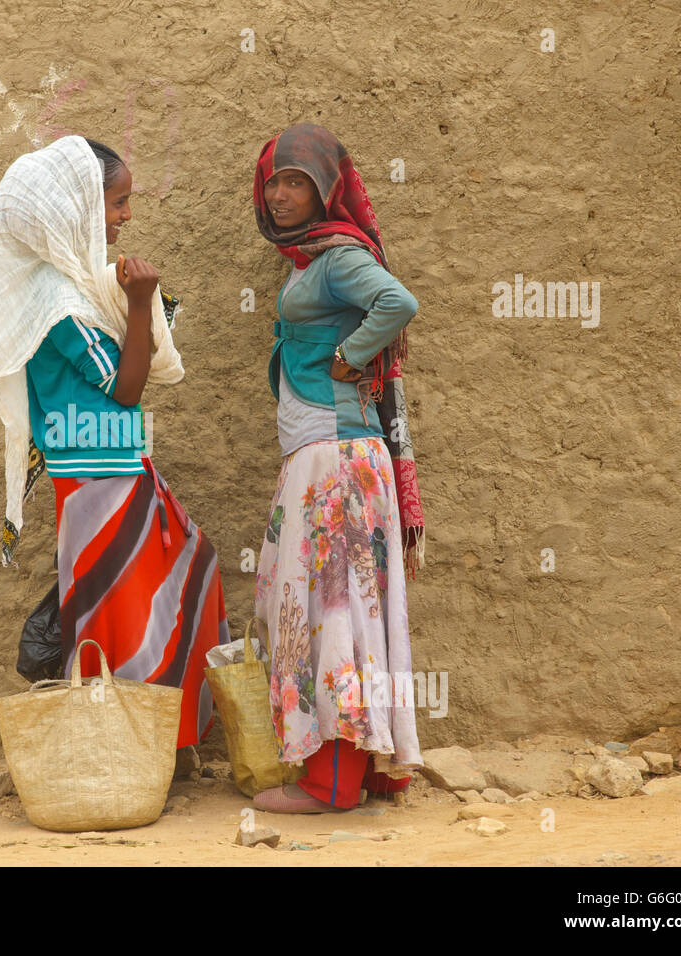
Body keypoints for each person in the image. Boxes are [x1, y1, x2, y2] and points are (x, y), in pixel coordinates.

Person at [0, 135, 230, 750]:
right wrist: (143, 304)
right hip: (102, 480)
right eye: (118, 202)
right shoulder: (60, 302)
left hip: (116, 471)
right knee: (122, 619)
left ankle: (145, 747)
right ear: (77, 208)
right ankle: (122, 754)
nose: (127, 216)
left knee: (172, 585)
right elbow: (125, 391)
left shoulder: (67, 287)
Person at [249, 123, 427, 812]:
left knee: (328, 614)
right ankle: (375, 768)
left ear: (327, 192)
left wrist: (352, 356)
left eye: (298, 183)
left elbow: (398, 302)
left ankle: (330, 784)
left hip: (335, 462)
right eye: (275, 183)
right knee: (350, 611)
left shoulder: (335, 257)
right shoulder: (308, 261)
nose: (284, 195)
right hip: (331, 459)